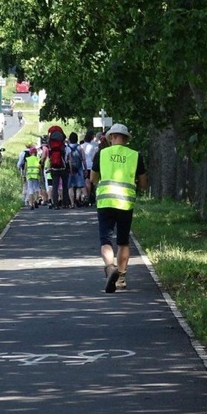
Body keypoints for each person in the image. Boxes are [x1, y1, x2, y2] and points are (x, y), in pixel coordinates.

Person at [90, 123, 148, 293]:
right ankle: (121, 279)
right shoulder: (135, 155)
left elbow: (93, 178)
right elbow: (143, 183)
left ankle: (110, 268)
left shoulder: (102, 153)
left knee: (105, 240)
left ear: (112, 137)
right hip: (125, 203)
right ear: (126, 138)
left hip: (106, 202)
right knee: (123, 241)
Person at [66, 132, 86, 208]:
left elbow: (66, 159)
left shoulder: (67, 148)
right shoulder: (80, 148)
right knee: (78, 186)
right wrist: (85, 168)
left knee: (70, 186)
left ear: (70, 139)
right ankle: (77, 198)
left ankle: (72, 203)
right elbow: (83, 159)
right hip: (79, 168)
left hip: (69, 169)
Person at [80, 130, 98, 206]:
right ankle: (90, 196)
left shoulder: (81, 146)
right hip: (91, 165)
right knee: (91, 182)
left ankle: (86, 196)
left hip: (83, 166)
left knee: (85, 181)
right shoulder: (92, 147)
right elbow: (93, 157)